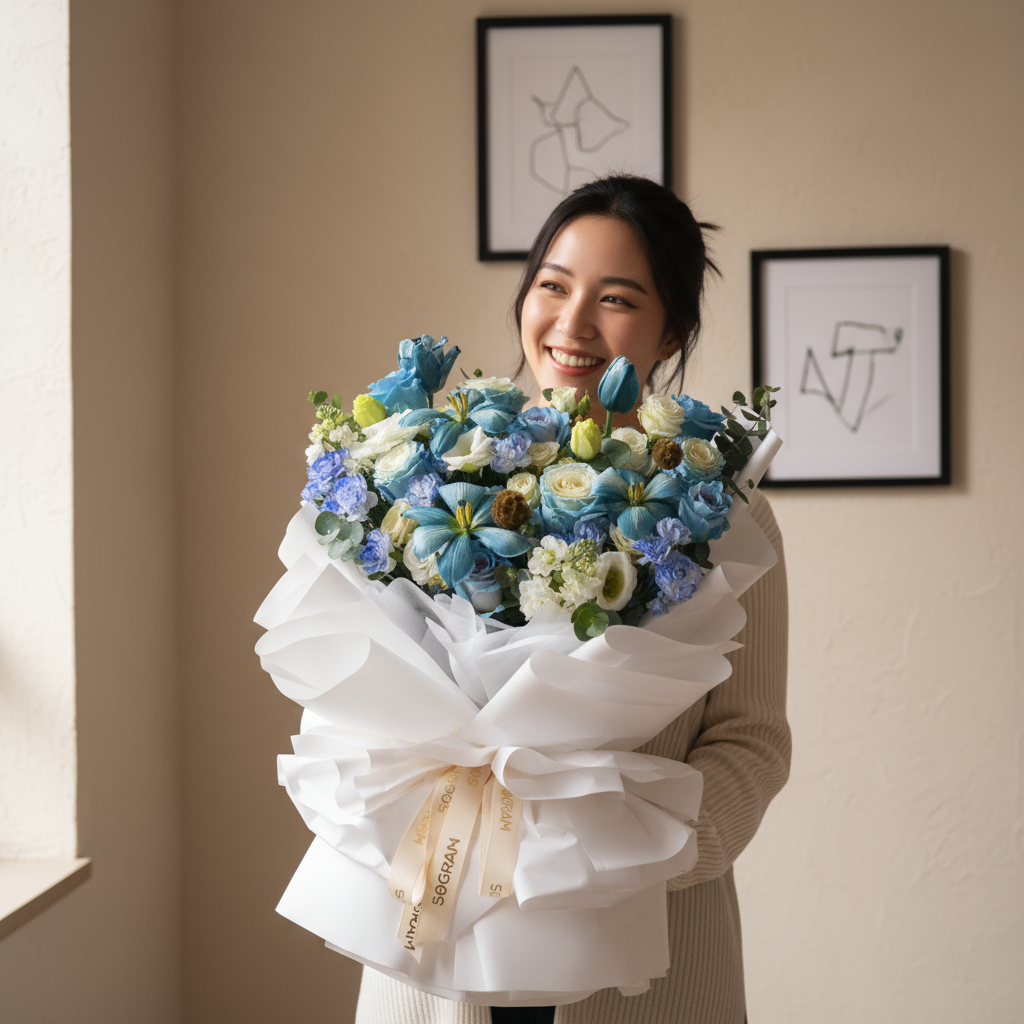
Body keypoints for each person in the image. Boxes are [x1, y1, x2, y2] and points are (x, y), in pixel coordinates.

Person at [355, 175, 790, 1024]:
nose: (573, 323)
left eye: (617, 298)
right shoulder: (432, 479)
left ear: (672, 330)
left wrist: (647, 847)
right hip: (442, 929)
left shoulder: (723, 513)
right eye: (553, 285)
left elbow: (753, 740)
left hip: (648, 945)